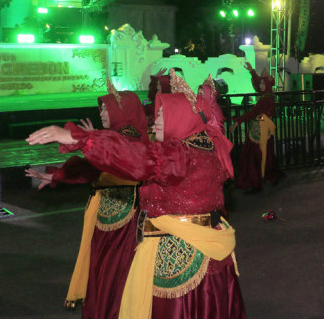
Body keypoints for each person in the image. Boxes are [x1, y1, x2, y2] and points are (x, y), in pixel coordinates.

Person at [26, 70, 245, 319]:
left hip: (178, 252)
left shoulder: (181, 153)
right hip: (203, 251)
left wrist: (82, 139)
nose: (156, 120)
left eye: (164, 114)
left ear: (181, 116)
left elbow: (141, 159)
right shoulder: (205, 147)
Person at [26, 83, 148, 318]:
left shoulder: (127, 137)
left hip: (125, 221)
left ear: (122, 111)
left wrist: (91, 140)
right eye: (101, 109)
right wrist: (58, 174)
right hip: (108, 216)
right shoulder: (116, 136)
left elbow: (114, 157)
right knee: (103, 271)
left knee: (115, 272)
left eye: (106, 109)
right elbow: (92, 168)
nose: (102, 113)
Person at [229, 62, 281, 192]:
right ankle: (265, 178)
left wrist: (238, 121)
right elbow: (259, 84)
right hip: (263, 132)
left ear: (268, 85)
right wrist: (252, 71)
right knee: (264, 156)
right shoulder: (268, 95)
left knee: (254, 158)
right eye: (261, 84)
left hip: (259, 134)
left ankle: (255, 183)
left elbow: (253, 113)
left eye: (264, 83)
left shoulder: (266, 99)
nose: (261, 86)